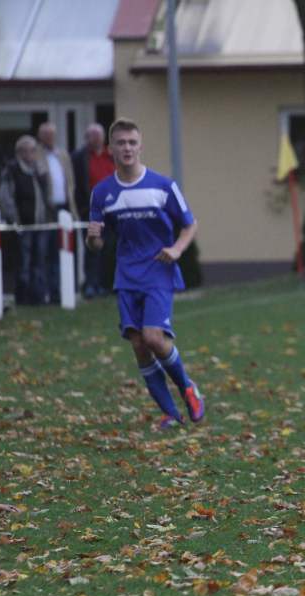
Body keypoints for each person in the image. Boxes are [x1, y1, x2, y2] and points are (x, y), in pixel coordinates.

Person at [86, 119, 205, 430]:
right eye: (121, 143)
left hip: (158, 271)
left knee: (153, 337)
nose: (127, 148)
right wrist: (92, 237)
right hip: (126, 274)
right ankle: (170, 413)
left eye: (132, 142)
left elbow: (190, 224)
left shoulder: (163, 186)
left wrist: (178, 250)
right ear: (110, 148)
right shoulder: (102, 193)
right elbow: (97, 245)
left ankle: (187, 387)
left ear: (140, 146)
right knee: (139, 345)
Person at [0, 135, 52, 305]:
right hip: (23, 225)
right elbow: (5, 197)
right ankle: (23, 297)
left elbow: (45, 195)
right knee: (24, 263)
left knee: (39, 261)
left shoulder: (38, 169)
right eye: (31, 150)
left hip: (40, 224)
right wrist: (15, 220)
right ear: (21, 152)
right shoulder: (11, 170)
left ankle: (38, 297)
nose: (34, 154)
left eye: (35, 150)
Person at [72, 123, 116, 298]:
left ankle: (104, 283)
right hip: (91, 210)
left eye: (99, 135)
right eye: (92, 136)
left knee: (108, 248)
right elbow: (75, 184)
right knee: (92, 248)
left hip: (112, 210)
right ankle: (90, 284)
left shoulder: (111, 155)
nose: (96, 139)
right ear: (86, 138)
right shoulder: (80, 157)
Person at [37, 122, 77, 304]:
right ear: (41, 137)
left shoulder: (62, 155)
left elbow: (70, 181)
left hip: (65, 210)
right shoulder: (36, 155)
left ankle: (62, 290)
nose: (50, 138)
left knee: (63, 252)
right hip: (46, 212)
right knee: (45, 253)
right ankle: (45, 292)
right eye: (46, 135)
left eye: (52, 135)